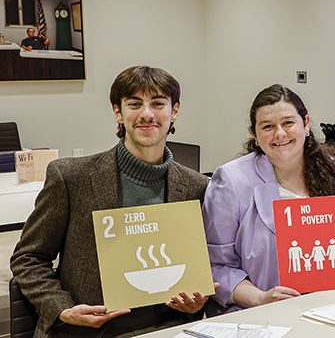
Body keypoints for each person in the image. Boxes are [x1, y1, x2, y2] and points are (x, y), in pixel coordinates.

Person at [11, 66, 212, 338]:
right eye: (134, 104)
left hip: (168, 327)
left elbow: (197, 268)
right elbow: (29, 258)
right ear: (118, 112)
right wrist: (62, 309)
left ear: (174, 111)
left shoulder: (197, 187)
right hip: (90, 331)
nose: (147, 114)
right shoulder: (72, 177)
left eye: (158, 103)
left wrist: (195, 304)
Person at [204, 84, 335, 314]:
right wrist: (260, 298)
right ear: (255, 134)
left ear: (306, 123)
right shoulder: (231, 181)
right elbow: (216, 266)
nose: (280, 133)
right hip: (269, 316)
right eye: (268, 127)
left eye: (288, 123)